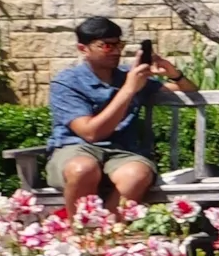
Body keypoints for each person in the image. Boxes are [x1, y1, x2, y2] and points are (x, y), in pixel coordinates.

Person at [44, 16, 193, 211]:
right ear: (83, 49)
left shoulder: (128, 76)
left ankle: (109, 233)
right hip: (76, 149)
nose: (116, 51)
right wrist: (129, 89)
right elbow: (91, 133)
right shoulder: (67, 83)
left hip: (123, 152)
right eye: (106, 46)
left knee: (137, 174)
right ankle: (80, 234)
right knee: (83, 169)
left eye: (119, 45)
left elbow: (188, 91)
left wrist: (174, 74)